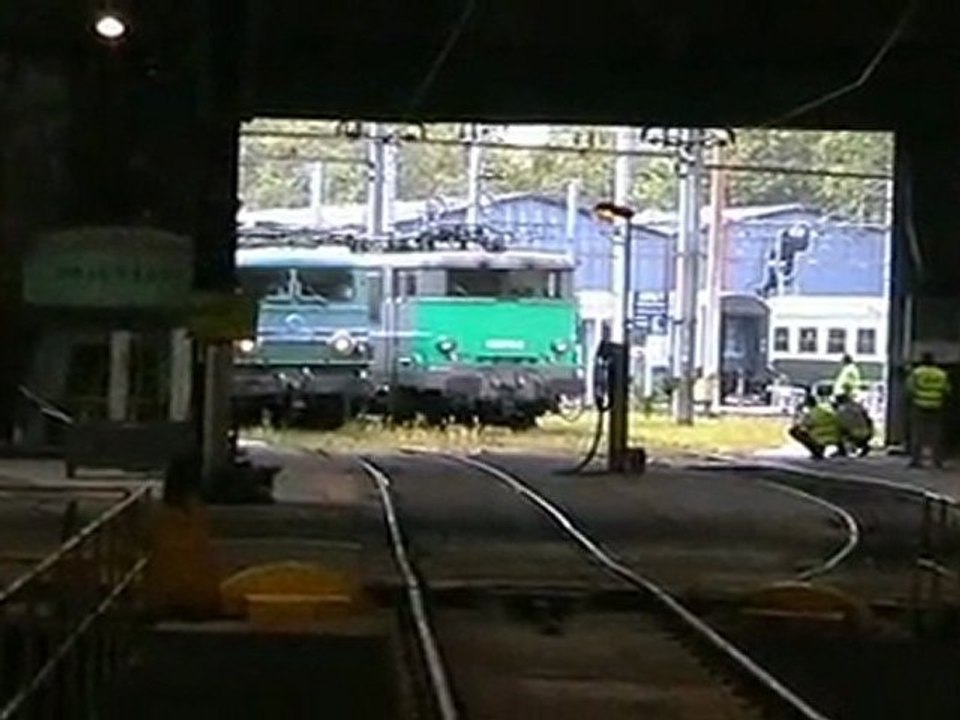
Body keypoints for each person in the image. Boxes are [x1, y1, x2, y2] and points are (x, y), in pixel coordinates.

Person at [906, 352, 951, 469]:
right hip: (936, 406)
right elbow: (947, 390)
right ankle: (937, 461)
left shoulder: (917, 373)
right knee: (936, 434)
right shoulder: (941, 374)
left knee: (918, 433)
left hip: (919, 405)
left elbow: (909, 389)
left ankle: (916, 460)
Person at [789, 390, 841, 460]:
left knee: (794, 431)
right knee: (817, 429)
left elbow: (801, 425)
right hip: (835, 435)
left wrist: (797, 412)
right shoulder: (823, 409)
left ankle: (816, 451)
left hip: (821, 437)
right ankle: (820, 449)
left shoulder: (810, 414)